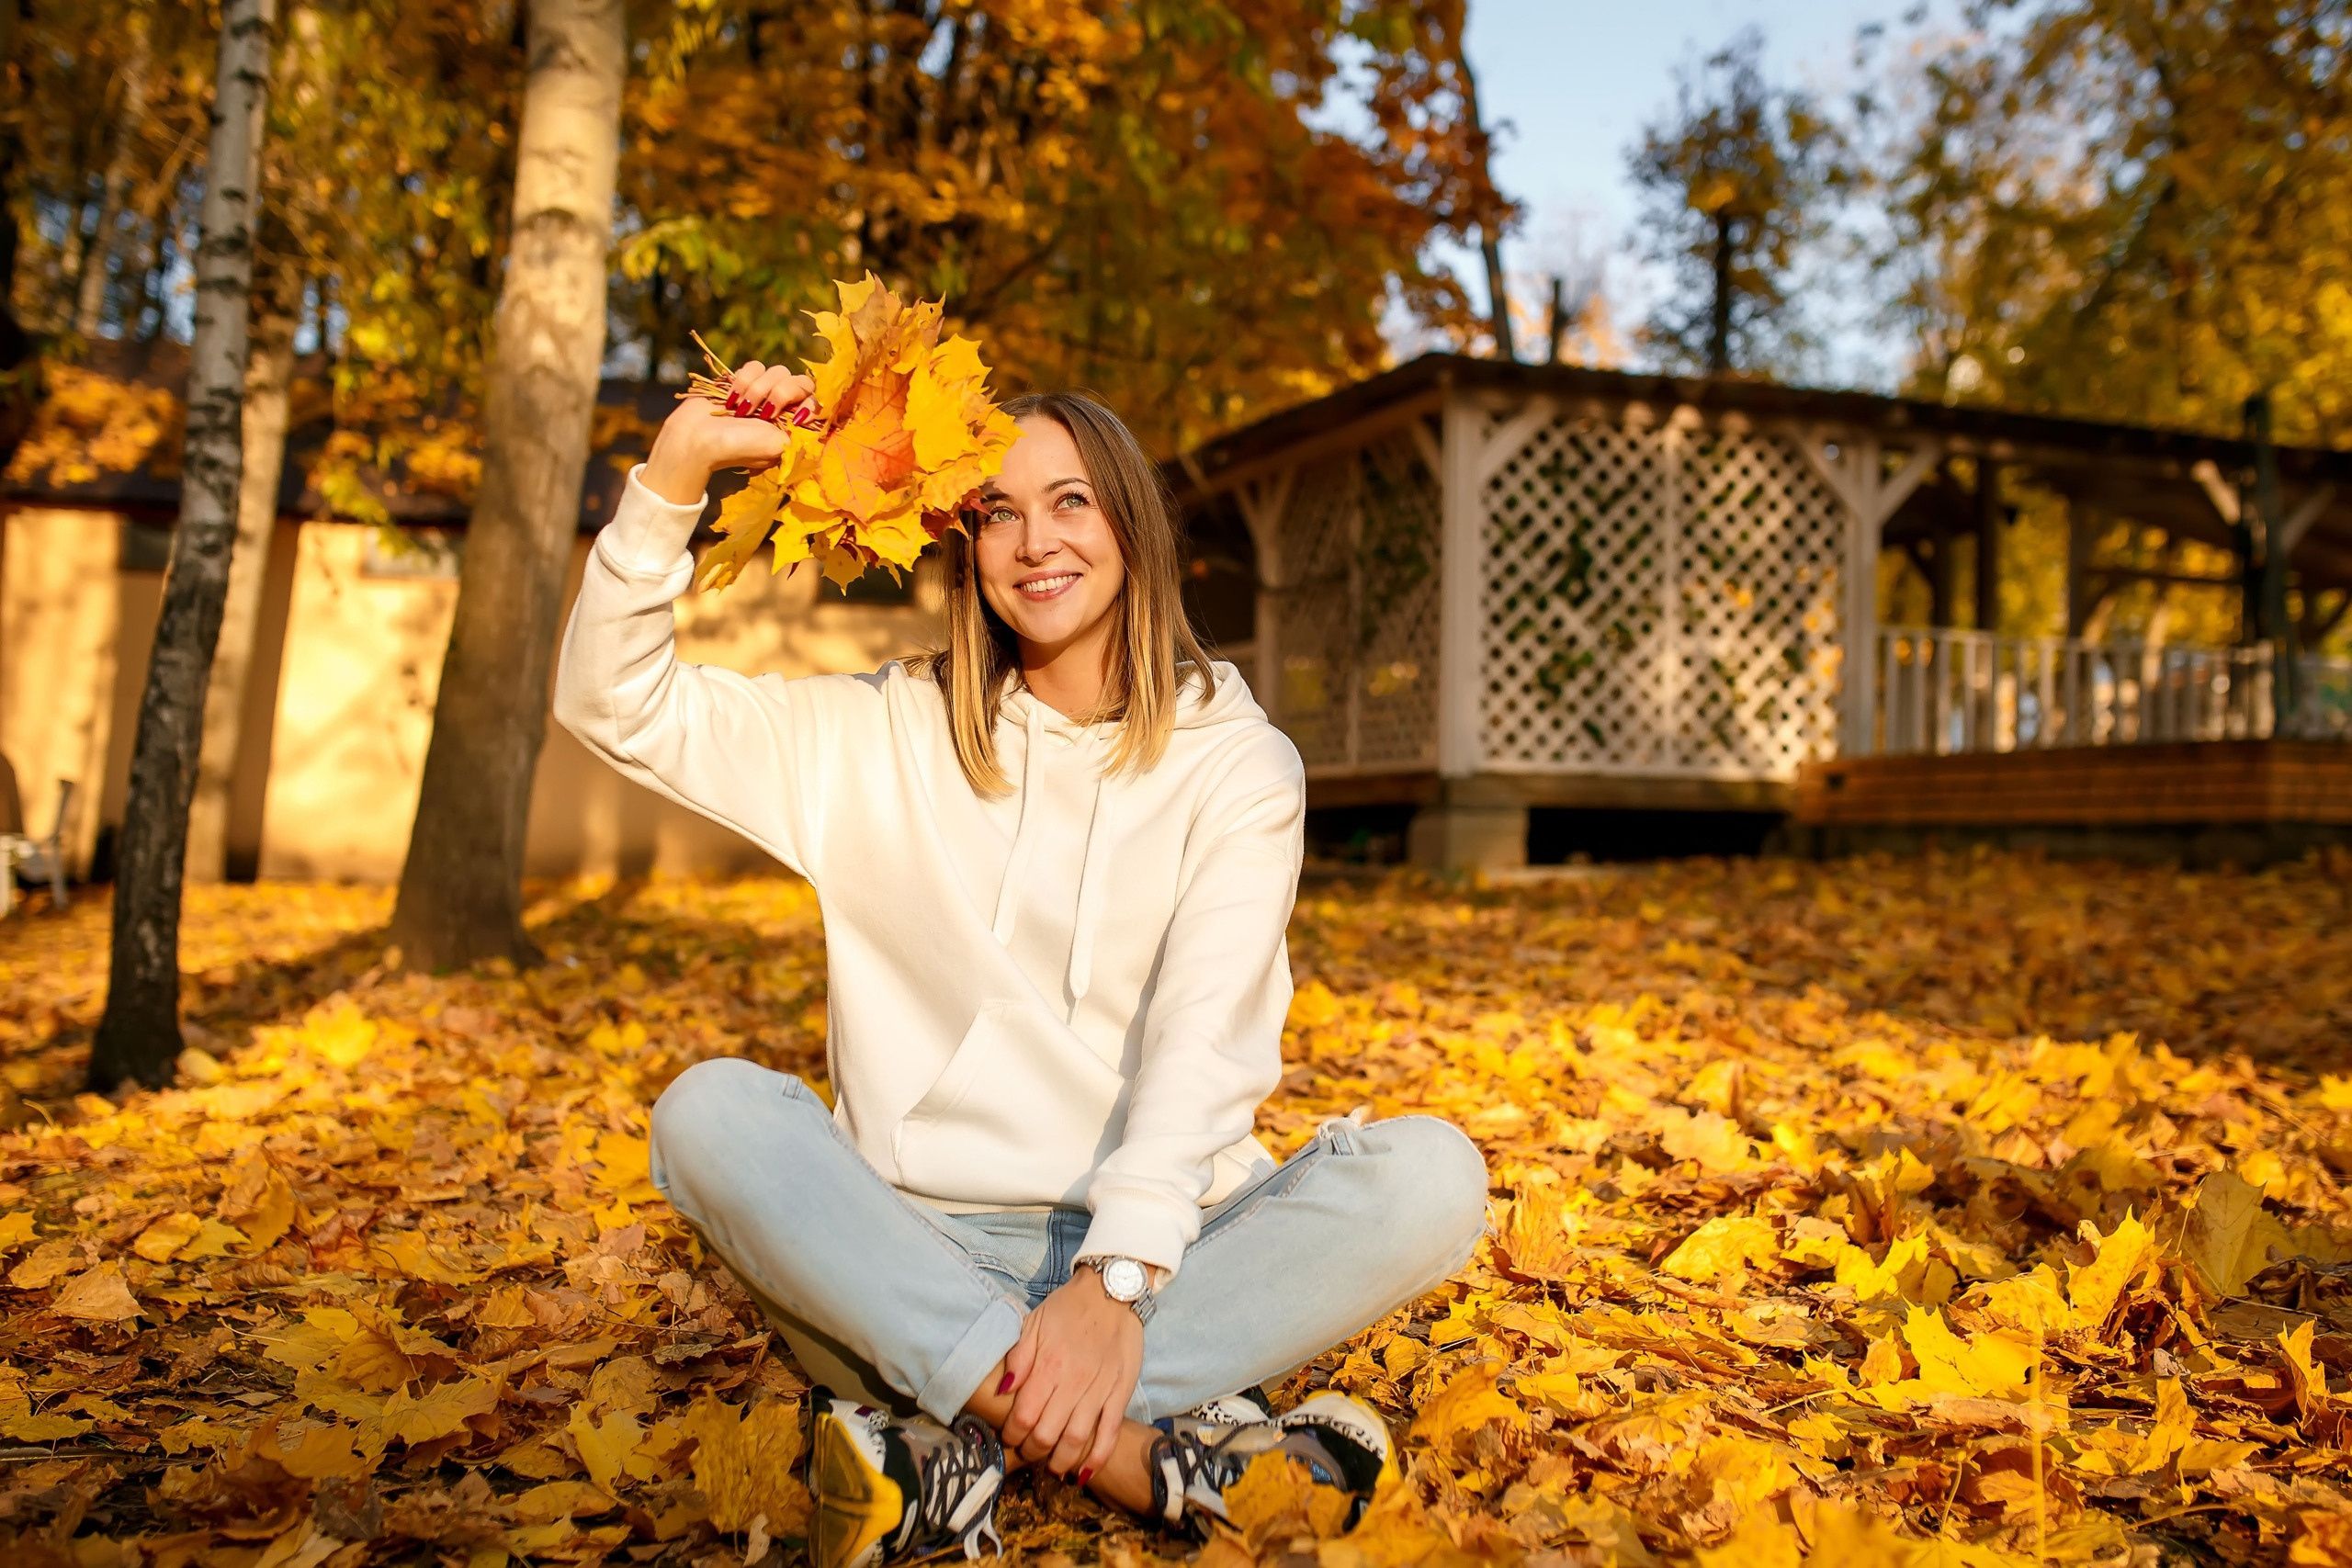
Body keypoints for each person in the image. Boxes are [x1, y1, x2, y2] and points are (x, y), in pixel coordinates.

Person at [554, 363, 1490, 1568]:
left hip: (1166, 1248)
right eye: (999, 512)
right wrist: (677, 468)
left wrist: (1110, 1288)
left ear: (1133, 531)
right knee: (710, 1115)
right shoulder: (876, 733)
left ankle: (956, 1429)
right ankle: (1148, 1458)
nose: (1034, 542)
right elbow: (610, 702)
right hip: (916, 1246)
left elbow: (1203, 1037)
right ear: (966, 545)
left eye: (1073, 504)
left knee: (1431, 1177)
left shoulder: (1238, 765)